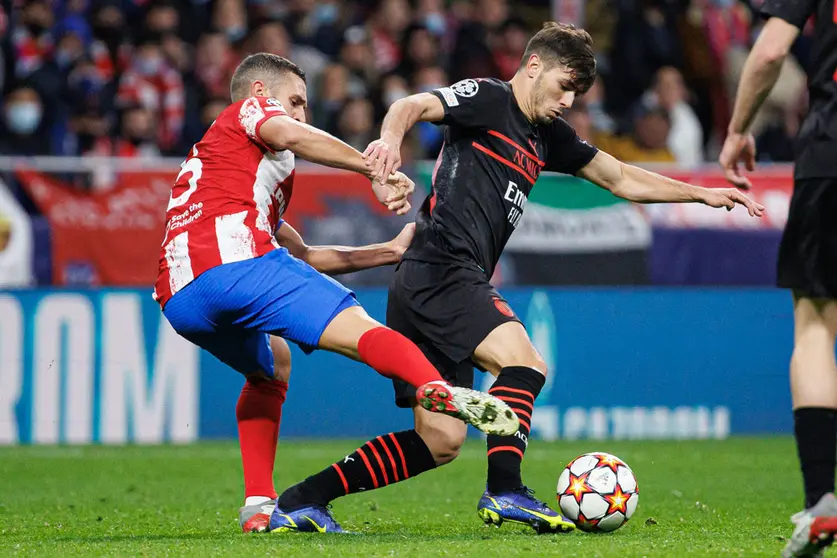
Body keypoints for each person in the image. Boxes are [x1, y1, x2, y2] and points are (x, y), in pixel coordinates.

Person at [271, 22, 764, 534]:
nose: (568, 101)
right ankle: (505, 489)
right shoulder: (489, 99)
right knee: (524, 363)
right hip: (442, 268)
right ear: (534, 67)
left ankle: (303, 499)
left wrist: (700, 193)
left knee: (438, 442)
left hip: (430, 280)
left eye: (576, 93)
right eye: (563, 87)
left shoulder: (547, 136)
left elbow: (619, 177)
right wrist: (389, 144)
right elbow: (410, 105)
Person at [153, 52, 520, 532]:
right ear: (262, 94)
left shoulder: (224, 165)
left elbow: (300, 254)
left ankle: (259, 507)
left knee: (273, 366)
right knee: (361, 326)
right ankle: (437, 389)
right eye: (296, 101)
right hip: (233, 261)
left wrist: (386, 252)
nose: (302, 114)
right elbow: (292, 135)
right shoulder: (249, 113)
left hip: (180, 295)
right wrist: (374, 168)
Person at [717, 1, 837, 556]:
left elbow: (768, 50)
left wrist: (739, 128)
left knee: (815, 325)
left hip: (830, 155)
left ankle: (822, 503)